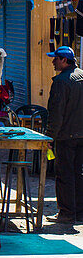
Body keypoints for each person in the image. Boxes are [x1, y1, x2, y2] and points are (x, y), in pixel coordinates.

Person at [46, 45, 83, 224]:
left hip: (66, 137)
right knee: (79, 174)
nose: (53, 61)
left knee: (65, 176)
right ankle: (79, 212)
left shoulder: (61, 81)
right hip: (80, 136)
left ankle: (67, 213)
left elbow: (56, 113)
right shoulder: (81, 76)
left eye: (56, 58)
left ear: (64, 60)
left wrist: (49, 137)